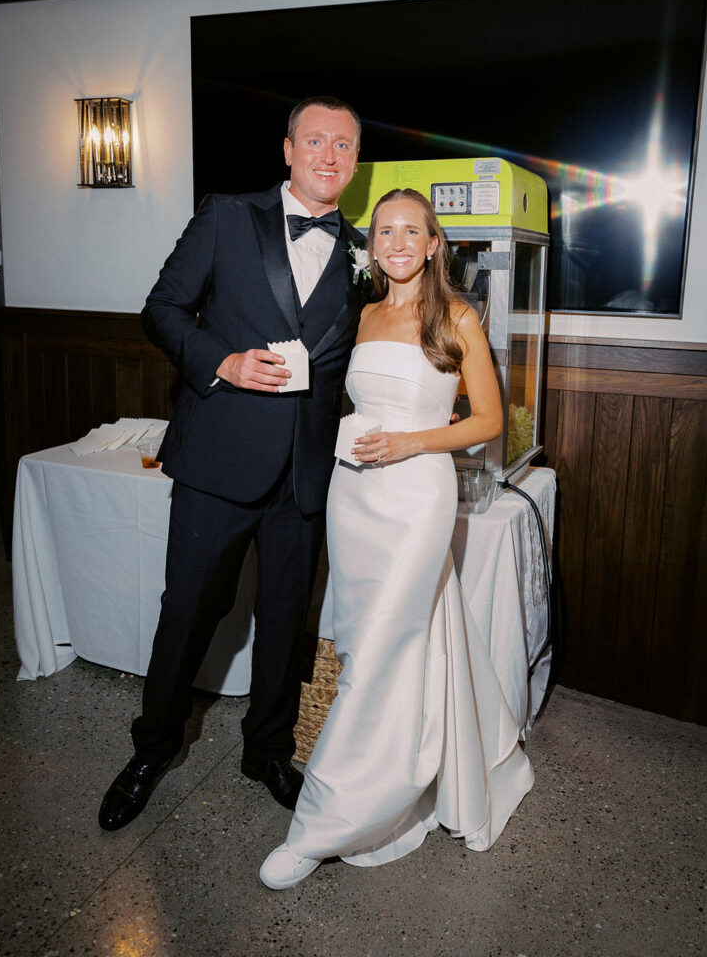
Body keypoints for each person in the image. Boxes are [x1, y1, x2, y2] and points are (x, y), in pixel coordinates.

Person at [98, 96, 370, 831]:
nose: (328, 156)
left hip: (305, 475)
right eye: (314, 140)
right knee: (187, 615)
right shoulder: (227, 214)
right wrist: (220, 360)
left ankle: (268, 751)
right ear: (287, 149)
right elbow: (161, 309)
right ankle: (151, 751)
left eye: (343, 146)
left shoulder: (361, 248)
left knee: (285, 624)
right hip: (219, 462)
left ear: (354, 160)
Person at [259, 188, 534, 889]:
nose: (399, 241)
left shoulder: (458, 317)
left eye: (413, 230)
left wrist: (411, 443)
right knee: (366, 642)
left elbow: (488, 423)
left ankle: (323, 823)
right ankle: (432, 760)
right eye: (386, 231)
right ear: (372, 244)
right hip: (354, 498)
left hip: (417, 500)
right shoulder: (363, 313)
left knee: (379, 647)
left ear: (434, 242)